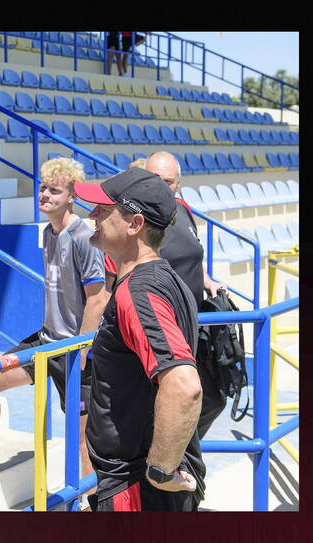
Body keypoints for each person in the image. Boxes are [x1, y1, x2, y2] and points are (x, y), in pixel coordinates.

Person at [0, 157, 108, 494]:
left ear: (73, 196)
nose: (45, 194)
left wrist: (83, 349)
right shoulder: (48, 232)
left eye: (54, 190)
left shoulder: (83, 236)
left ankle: (93, 507)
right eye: (43, 188)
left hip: (76, 349)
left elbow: (98, 298)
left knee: (82, 443)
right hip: (47, 341)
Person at [76, 168, 205, 512]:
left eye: (103, 210)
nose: (92, 215)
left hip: (137, 490)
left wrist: (160, 471)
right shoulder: (164, 278)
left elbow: (184, 386)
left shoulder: (138, 290)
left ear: (134, 224)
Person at [143, 151, 227, 438]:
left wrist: (208, 281)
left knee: (213, 400)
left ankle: (178, 456)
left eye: (168, 181)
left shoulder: (181, 208)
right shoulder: (136, 220)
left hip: (194, 326)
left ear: (178, 184)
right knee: (170, 403)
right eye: (154, 178)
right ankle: (164, 464)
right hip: (163, 329)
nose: (160, 186)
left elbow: (193, 255)